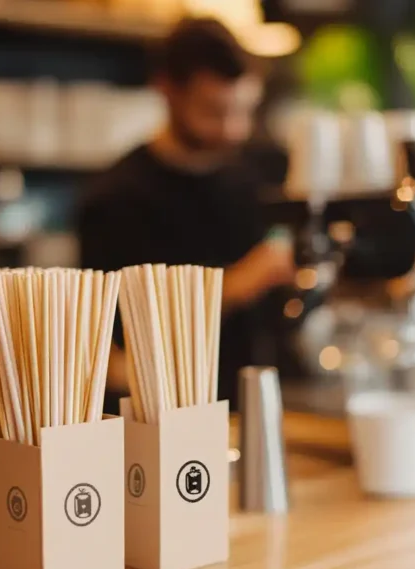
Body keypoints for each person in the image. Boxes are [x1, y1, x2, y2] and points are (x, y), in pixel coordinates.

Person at [78, 18, 295, 411]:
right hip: (173, 416)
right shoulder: (115, 200)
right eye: (214, 111)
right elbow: (120, 342)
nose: (233, 129)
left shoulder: (265, 170)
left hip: (266, 401)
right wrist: (240, 281)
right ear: (166, 90)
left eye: (244, 110)